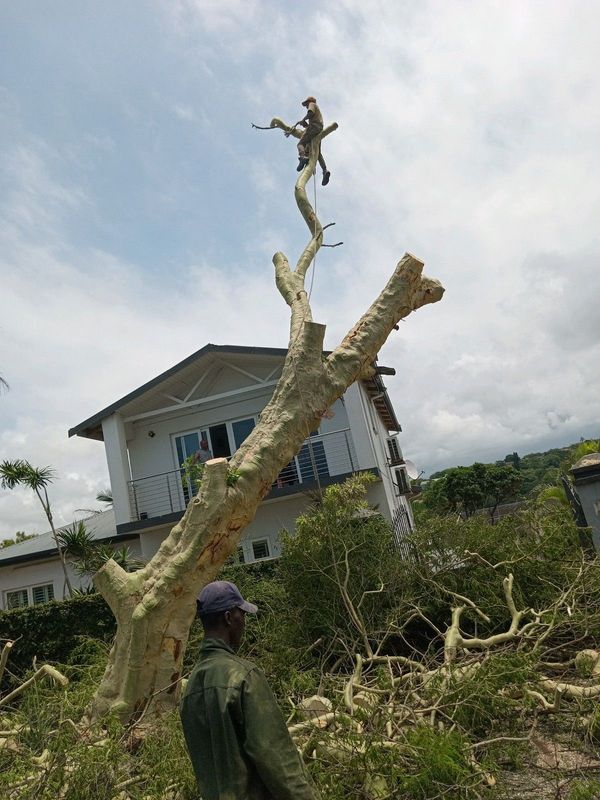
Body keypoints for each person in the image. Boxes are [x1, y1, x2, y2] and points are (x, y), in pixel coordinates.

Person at [180, 581, 320, 800]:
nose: (243, 623)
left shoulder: (190, 689)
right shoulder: (244, 677)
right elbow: (276, 758)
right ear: (228, 618)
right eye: (241, 615)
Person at [288, 96, 330, 186]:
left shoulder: (312, 104)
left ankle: (302, 157)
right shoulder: (317, 114)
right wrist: (305, 124)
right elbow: (311, 120)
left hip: (314, 127)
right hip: (318, 129)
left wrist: (303, 119)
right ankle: (325, 170)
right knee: (317, 153)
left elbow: (310, 113)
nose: (306, 106)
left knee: (300, 144)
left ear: (309, 102)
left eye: (306, 104)